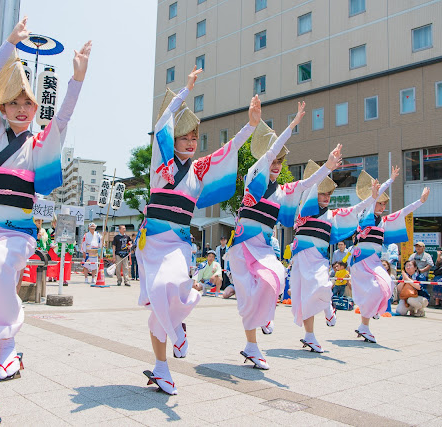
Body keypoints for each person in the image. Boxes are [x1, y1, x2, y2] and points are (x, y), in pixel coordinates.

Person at [0, 17, 90, 424]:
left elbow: (62, 118)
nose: (23, 109)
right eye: (14, 103)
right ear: (3, 106)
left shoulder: (40, 142)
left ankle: (1, 362)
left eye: (28, 103)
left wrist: (76, 80)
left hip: (15, 235)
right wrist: (9, 44)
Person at [137, 65, 261, 395]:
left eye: (195, 138)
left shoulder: (199, 169)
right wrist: (186, 91)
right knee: (156, 304)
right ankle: (163, 368)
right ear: (172, 140)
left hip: (178, 243)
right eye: (184, 138)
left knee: (173, 285)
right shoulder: (159, 165)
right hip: (152, 242)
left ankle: (177, 327)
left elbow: (229, 149)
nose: (191, 143)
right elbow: (161, 122)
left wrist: (249, 127)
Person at [226, 108, 343, 367]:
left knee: (277, 277)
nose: (276, 166)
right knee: (246, 297)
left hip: (264, 248)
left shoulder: (281, 191)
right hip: (243, 246)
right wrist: (292, 124)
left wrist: (328, 166)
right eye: (274, 161)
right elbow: (269, 154)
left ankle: (264, 317)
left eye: (280, 162)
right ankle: (252, 346)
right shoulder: (253, 176)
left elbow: (305, 183)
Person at [289, 160, 380, 353]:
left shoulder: (332, 215)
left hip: (319, 258)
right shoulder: (305, 208)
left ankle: (328, 308)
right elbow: (311, 184)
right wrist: (328, 168)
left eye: (329, 193)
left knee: (322, 286)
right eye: (322, 192)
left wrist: (371, 199)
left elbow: (354, 211)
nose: (326, 197)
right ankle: (310, 336)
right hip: (302, 255)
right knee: (306, 296)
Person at [350, 168, 429, 343]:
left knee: (386, 286)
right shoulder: (366, 214)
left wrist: (420, 201)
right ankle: (366, 323)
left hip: (375, 261)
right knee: (369, 292)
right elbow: (374, 197)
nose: (382, 206)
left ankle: (365, 325)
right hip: (361, 260)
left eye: (384, 204)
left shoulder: (384, 221)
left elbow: (404, 211)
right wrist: (390, 181)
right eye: (380, 203)